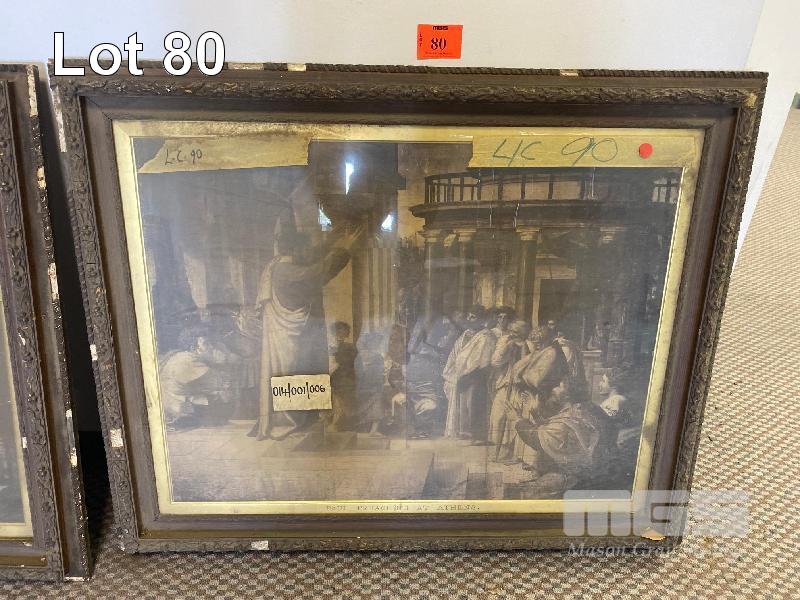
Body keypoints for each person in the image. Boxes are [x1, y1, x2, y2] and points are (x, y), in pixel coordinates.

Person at [252, 223, 361, 440]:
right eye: (305, 249)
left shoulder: (280, 264)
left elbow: (310, 258)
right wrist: (343, 250)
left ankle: (307, 418)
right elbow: (315, 273)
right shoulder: (286, 271)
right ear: (296, 250)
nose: (308, 252)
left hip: (295, 335)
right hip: (287, 339)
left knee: (306, 368)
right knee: (293, 372)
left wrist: (330, 241)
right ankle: (292, 421)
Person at [514, 377, 612, 482]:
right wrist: (535, 412)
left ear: (567, 395)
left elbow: (539, 439)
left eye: (559, 386)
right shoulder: (578, 410)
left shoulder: (572, 417)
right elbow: (550, 428)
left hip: (576, 478)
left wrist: (518, 419)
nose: (553, 389)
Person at [443, 305, 497, 443]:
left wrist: (467, 373)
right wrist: (455, 372)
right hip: (462, 375)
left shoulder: (486, 336)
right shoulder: (466, 333)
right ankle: (464, 431)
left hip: (478, 375)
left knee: (474, 404)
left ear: (481, 319)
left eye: (473, 317)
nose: (469, 319)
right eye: (468, 316)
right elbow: (455, 353)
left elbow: (482, 360)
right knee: (463, 403)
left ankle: (478, 435)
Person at [406, 314, 460, 438]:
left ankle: (423, 429)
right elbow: (414, 349)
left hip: (426, 375)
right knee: (423, 401)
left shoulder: (434, 341)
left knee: (428, 401)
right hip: (420, 375)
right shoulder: (424, 344)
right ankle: (421, 430)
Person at [488, 319, 531, 461]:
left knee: (514, 419)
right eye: (511, 331)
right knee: (498, 417)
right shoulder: (504, 342)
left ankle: (511, 451)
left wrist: (523, 348)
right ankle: (497, 449)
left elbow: (526, 366)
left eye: (516, 332)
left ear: (523, 333)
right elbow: (495, 362)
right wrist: (507, 347)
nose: (512, 334)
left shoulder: (529, 344)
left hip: (520, 387)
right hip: (505, 384)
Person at [327, 321, 358, 431]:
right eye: (337, 332)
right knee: (334, 400)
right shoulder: (331, 347)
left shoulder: (350, 347)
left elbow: (346, 363)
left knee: (342, 401)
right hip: (335, 378)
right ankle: (334, 422)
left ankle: (337, 423)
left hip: (345, 378)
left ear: (346, 333)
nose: (339, 334)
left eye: (343, 332)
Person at [355, 332, 386, 435]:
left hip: (370, 387)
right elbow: (357, 374)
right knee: (377, 399)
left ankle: (373, 428)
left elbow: (379, 375)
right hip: (363, 387)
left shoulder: (377, 358)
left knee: (377, 400)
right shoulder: (359, 358)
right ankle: (371, 428)